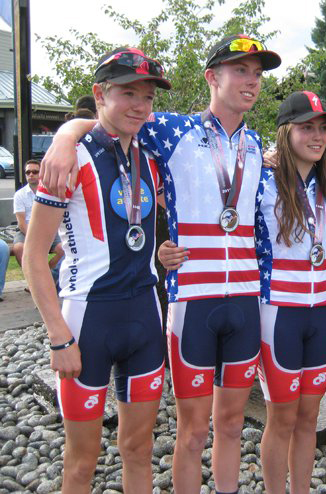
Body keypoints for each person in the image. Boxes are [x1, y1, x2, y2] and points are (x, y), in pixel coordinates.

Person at [41, 34, 282, 494]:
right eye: (239, 71)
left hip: (246, 299)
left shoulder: (257, 146)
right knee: (191, 433)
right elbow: (106, 127)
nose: (250, 81)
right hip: (191, 301)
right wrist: (64, 135)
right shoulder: (171, 129)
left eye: (257, 73)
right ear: (212, 78)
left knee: (231, 425)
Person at [22, 47, 171, 493]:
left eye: (147, 95)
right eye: (127, 92)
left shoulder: (152, 153)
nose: (140, 105)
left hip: (145, 317)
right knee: (81, 462)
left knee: (139, 449)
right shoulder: (67, 160)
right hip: (87, 323)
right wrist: (58, 337)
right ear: (100, 94)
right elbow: (32, 260)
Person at [254, 91, 326, 492]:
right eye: (306, 127)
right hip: (279, 316)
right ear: (285, 131)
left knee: (309, 418)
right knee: (282, 419)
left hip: (321, 314)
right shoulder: (261, 179)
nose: (317, 135)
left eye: (323, 128)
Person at [12, 159, 64, 268]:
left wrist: (45, 236)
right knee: (18, 248)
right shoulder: (19, 195)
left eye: (35, 172)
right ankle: (32, 281)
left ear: (42, 173)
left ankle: (46, 274)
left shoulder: (51, 192)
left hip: (49, 230)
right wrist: (35, 238)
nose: (31, 174)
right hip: (26, 230)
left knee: (63, 249)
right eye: (28, 172)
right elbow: (21, 223)